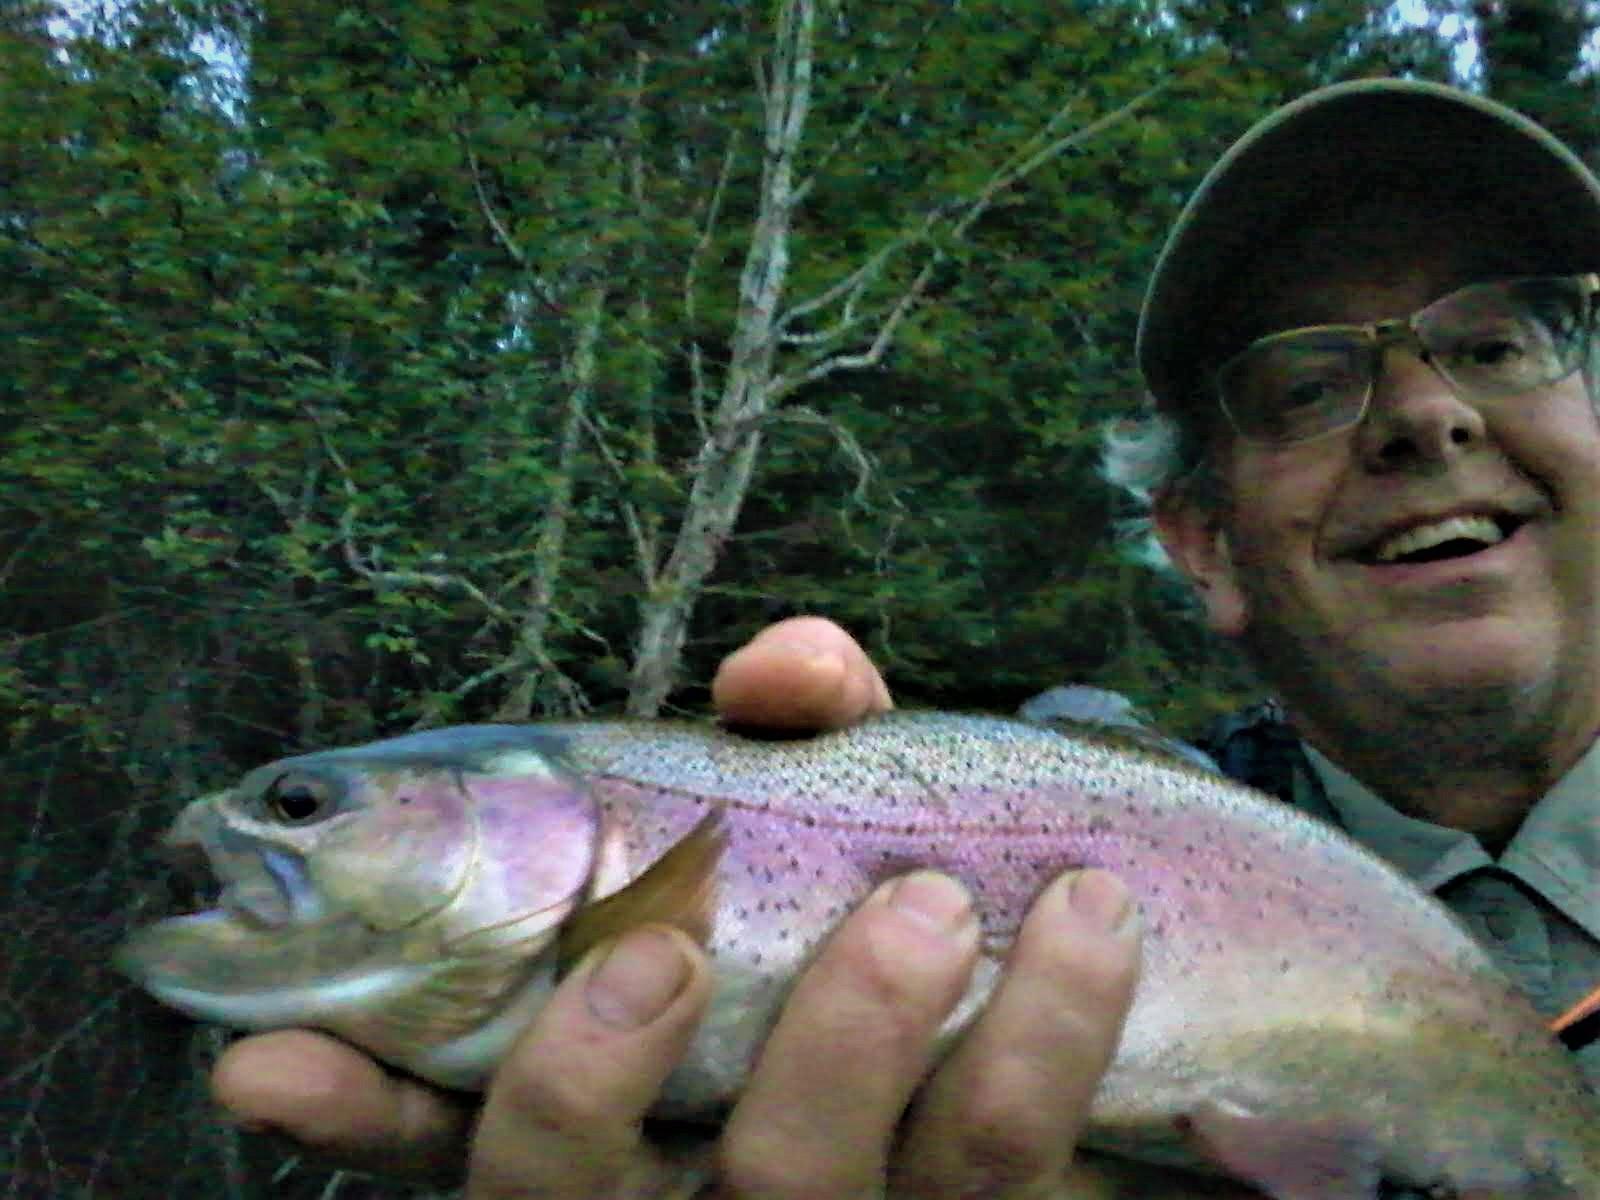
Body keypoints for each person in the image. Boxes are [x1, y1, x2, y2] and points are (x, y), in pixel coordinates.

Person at [206, 78, 1600, 1198]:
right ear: (1205, 547)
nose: (1427, 415)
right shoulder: (1134, 815)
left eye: (1497, 344)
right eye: (1305, 384)